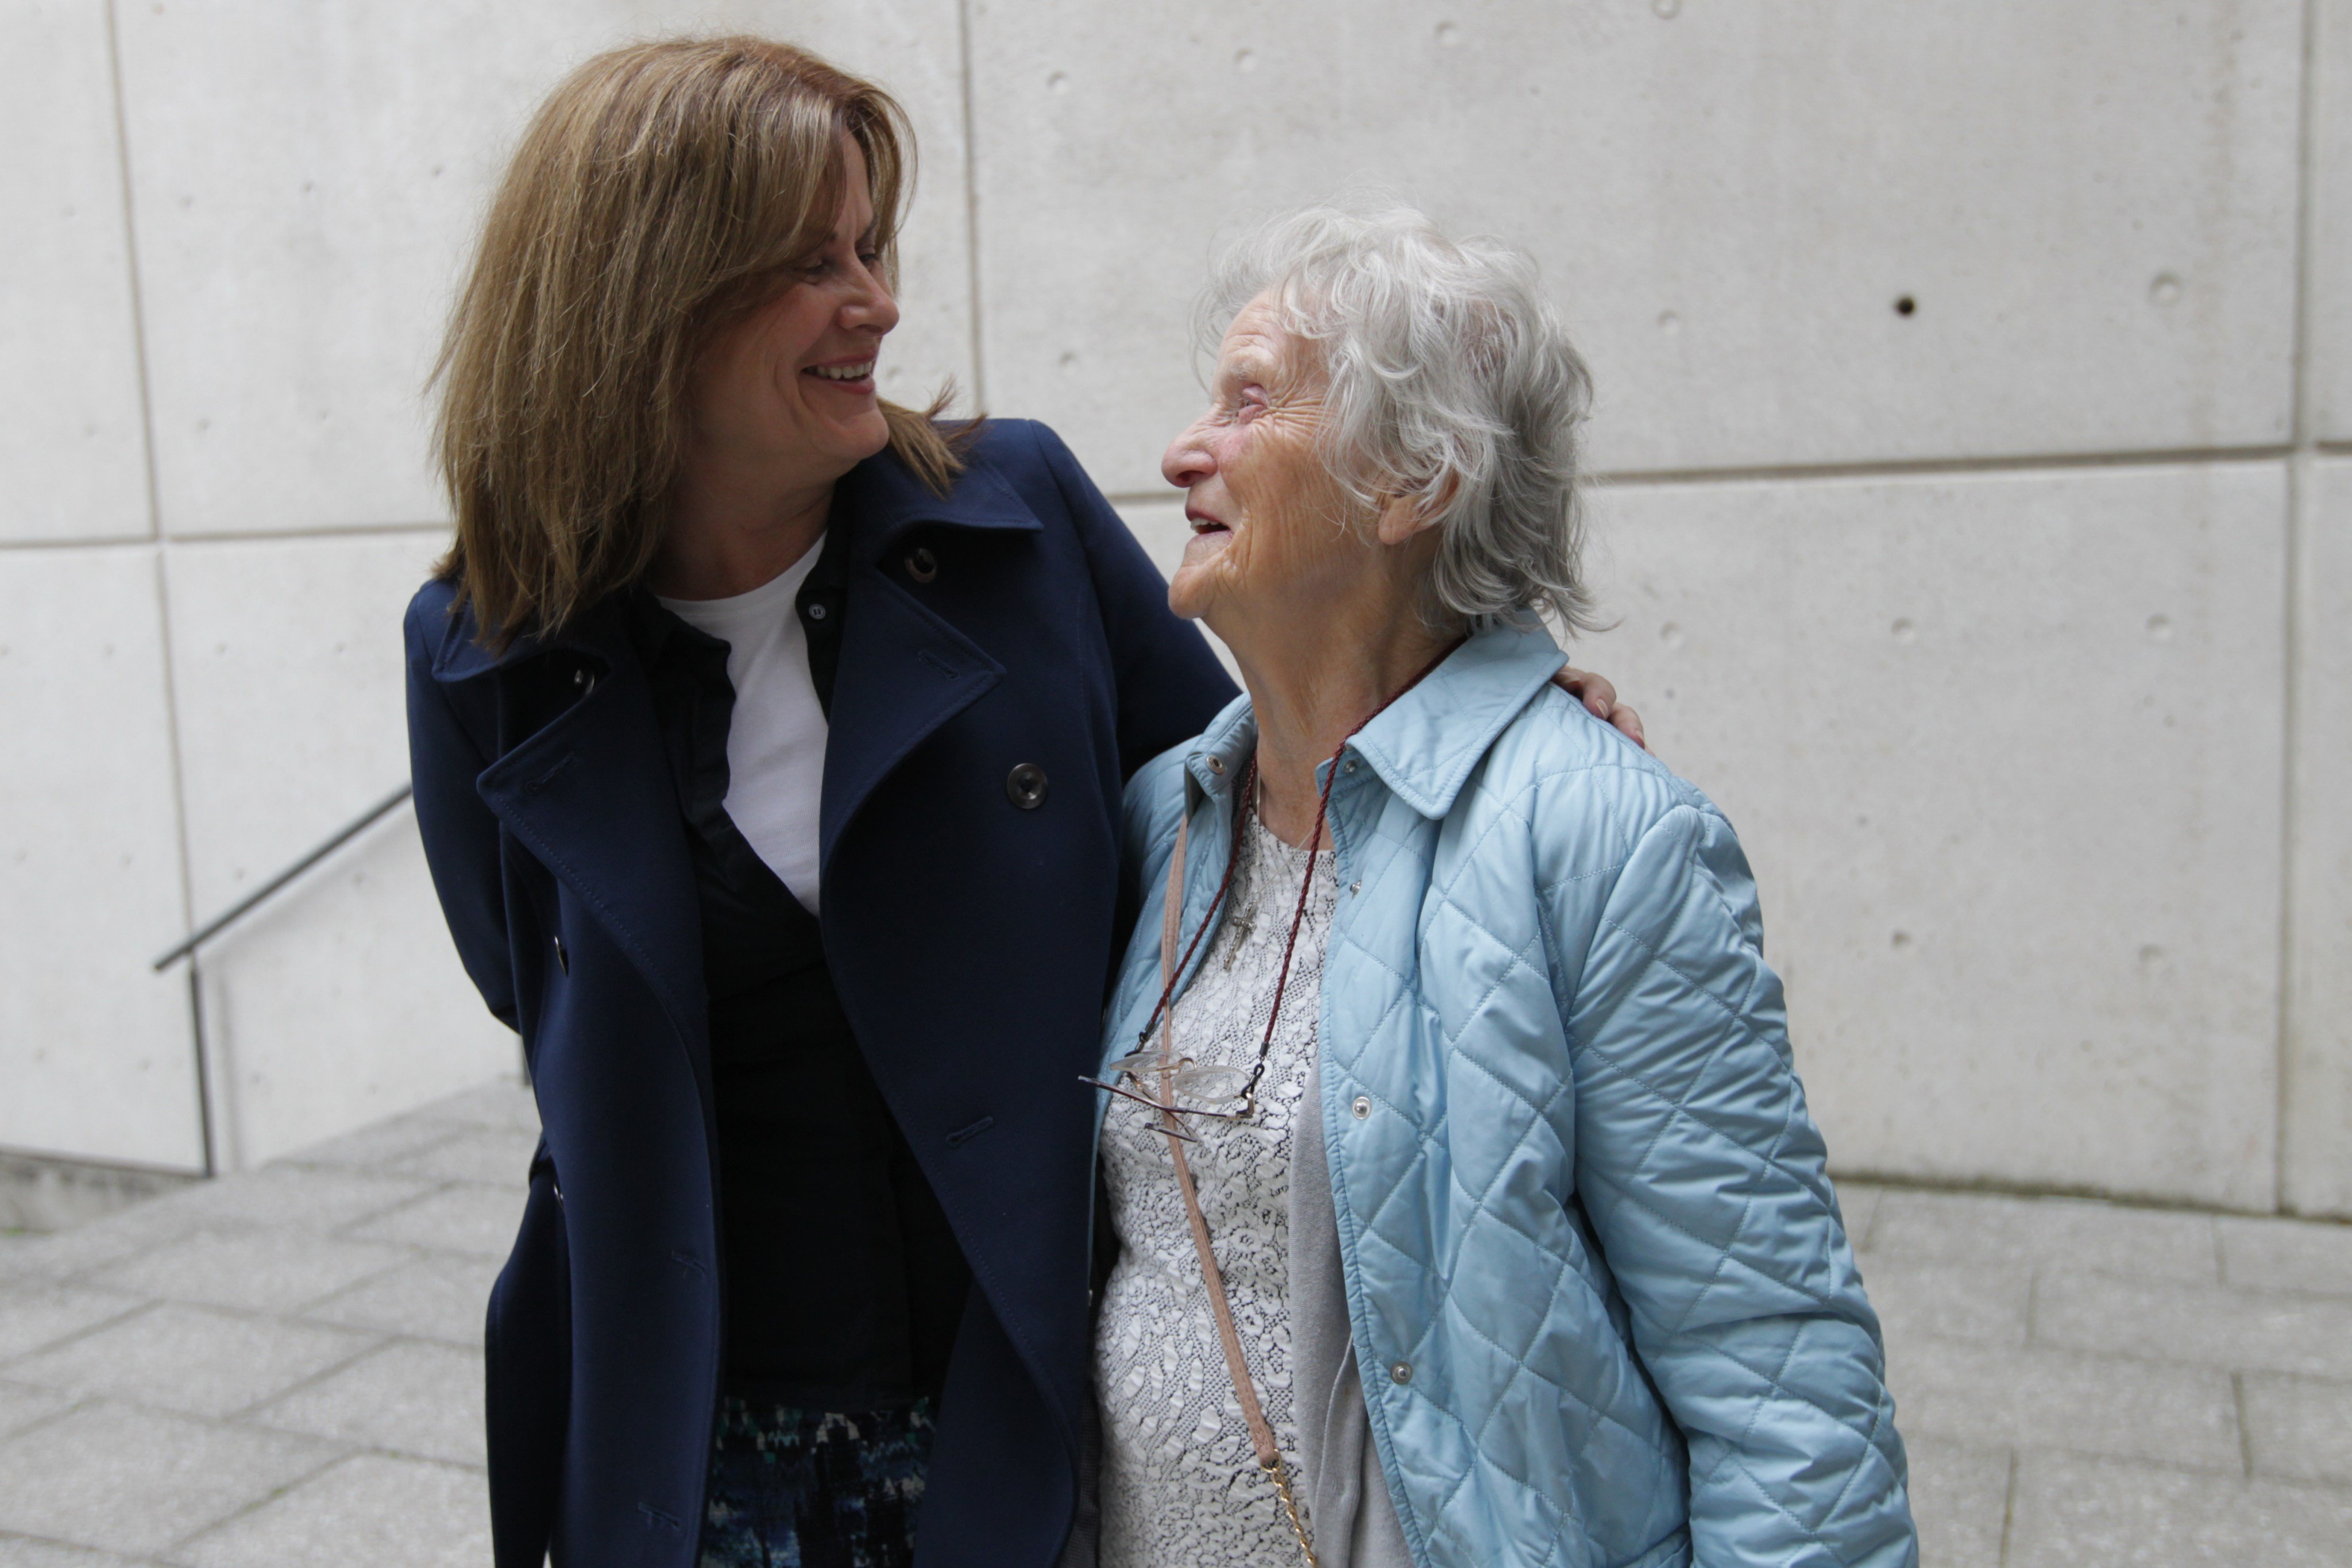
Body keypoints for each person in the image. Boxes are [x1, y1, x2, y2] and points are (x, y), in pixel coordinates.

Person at [406, 33, 1649, 1568]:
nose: (878, 301)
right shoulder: (482, 649)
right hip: (690, 1443)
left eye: (872, 246)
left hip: (1027, 1399)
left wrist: (1490, 703)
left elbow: (1263, 807)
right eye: (814, 262)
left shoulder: (1015, 523)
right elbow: (523, 986)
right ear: (644, 302)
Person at [1089, 206, 1917, 1568]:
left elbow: (1769, 1361)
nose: (1185, 450)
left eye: (1248, 401)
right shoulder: (1163, 819)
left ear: (1410, 480)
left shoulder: (1600, 833)